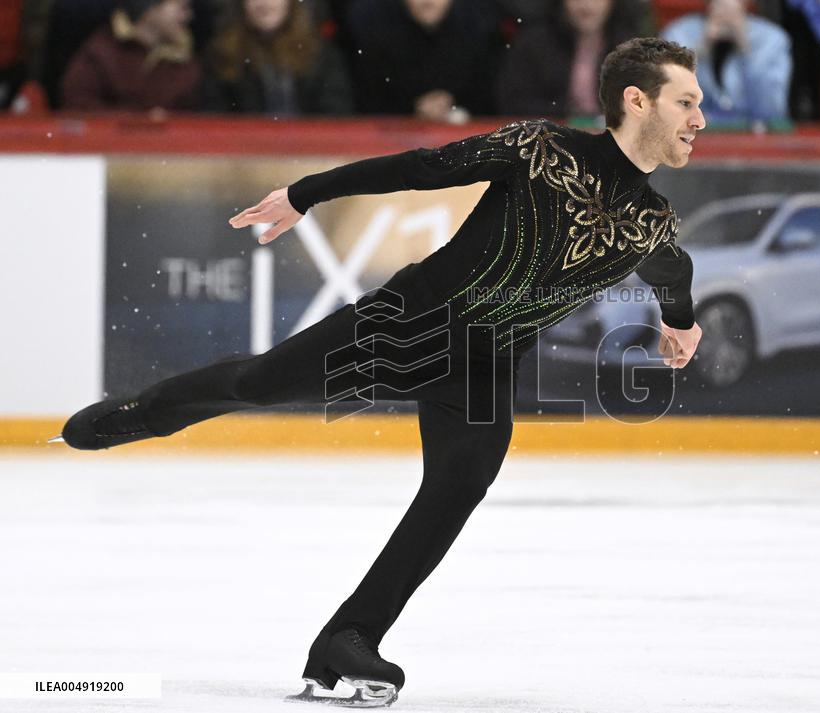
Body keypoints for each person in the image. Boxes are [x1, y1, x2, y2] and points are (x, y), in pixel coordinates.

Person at [53, 36, 705, 707]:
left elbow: (671, 272)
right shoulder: (543, 149)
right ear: (636, 100)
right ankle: (149, 412)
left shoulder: (651, 221)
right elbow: (422, 167)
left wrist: (679, 323)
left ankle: (349, 637)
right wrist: (306, 193)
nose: (699, 120)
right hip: (405, 324)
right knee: (260, 383)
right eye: (686, 101)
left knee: (460, 485)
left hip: (484, 370)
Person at [344, 0, 504, 121]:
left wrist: (454, 106)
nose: (427, 2)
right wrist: (412, 109)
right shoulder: (375, 33)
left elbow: (490, 94)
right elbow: (368, 99)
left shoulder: (481, 29)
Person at [496, 0, 647, 119]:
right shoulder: (534, 42)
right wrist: (566, 115)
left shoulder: (630, 45)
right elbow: (515, 101)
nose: (586, 6)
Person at [201, 0, 353, 116]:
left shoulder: (320, 53)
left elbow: (336, 113)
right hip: (242, 152)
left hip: (310, 151)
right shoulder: (222, 55)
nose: (265, 4)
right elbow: (214, 120)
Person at [661, 0, 792, 124]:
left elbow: (773, 111)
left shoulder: (773, 39)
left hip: (756, 138)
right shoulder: (677, 34)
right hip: (695, 137)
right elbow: (669, 105)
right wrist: (702, 49)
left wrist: (745, 49)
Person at [60, 0, 200, 112]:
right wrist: (140, 121)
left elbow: (201, 115)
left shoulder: (186, 61)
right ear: (151, 8)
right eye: (182, 8)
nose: (187, 16)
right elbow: (78, 105)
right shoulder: (101, 52)